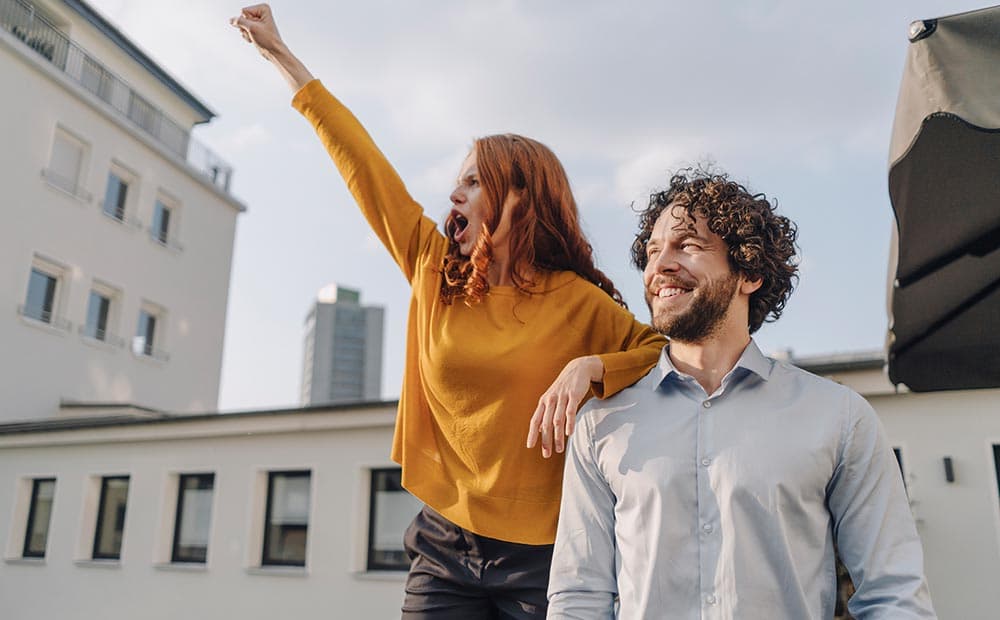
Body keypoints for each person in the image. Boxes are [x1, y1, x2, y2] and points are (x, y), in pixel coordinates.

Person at [230, 6, 665, 618]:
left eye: (472, 181)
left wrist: (590, 368)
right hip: (444, 545)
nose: (453, 194)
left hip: (544, 556)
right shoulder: (436, 272)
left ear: (518, 195)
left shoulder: (579, 302)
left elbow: (659, 354)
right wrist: (281, 55)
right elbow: (364, 168)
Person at [547, 168, 937, 619]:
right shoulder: (601, 424)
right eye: (654, 251)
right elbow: (579, 597)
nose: (660, 266)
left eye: (688, 246)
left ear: (748, 273)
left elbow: (894, 592)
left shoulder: (839, 417)